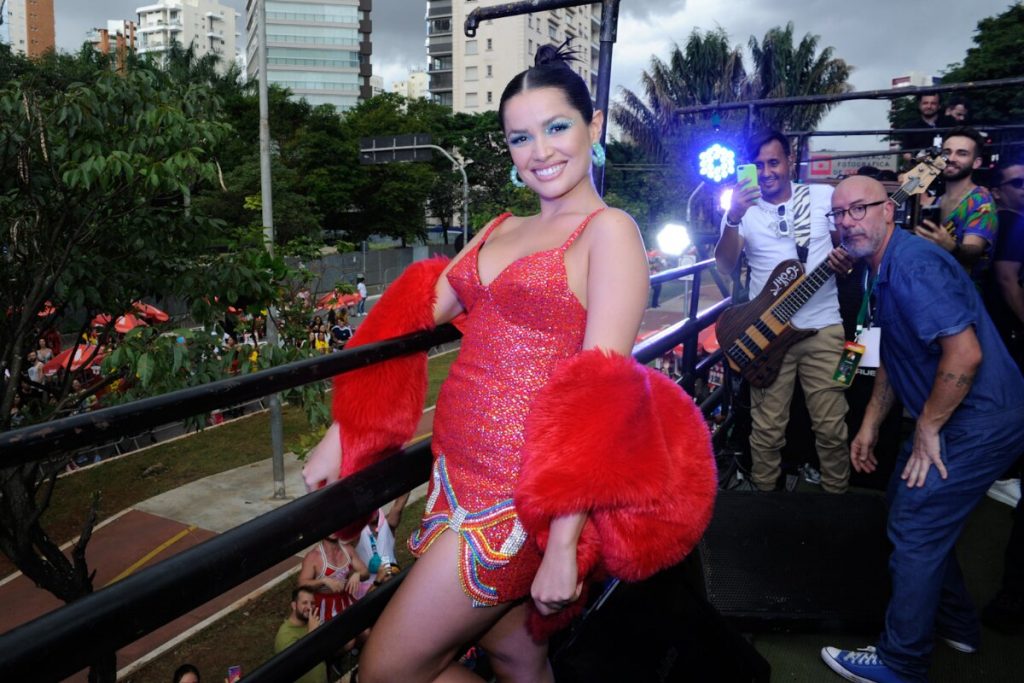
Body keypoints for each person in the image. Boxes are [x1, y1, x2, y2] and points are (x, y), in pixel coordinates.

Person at [301, 42, 716, 683]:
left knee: (384, 672)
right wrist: (347, 428)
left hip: (511, 504)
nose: (541, 151)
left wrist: (566, 544)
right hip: (451, 479)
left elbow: (601, 396)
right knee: (516, 656)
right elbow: (414, 306)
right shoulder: (498, 228)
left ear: (594, 126)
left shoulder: (610, 233)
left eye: (557, 127)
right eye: (521, 137)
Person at [819, 176, 1024, 683]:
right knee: (906, 507)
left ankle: (901, 662)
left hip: (979, 421)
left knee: (914, 527)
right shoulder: (882, 267)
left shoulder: (912, 265)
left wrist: (928, 428)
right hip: (960, 415)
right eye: (839, 214)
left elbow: (965, 354)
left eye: (859, 209)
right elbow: (897, 354)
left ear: (888, 210)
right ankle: (955, 623)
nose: (848, 221)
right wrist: (869, 424)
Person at [715, 129, 853, 494]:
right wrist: (732, 218)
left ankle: (837, 503)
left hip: (823, 328)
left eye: (773, 162)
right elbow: (725, 265)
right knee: (766, 430)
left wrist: (846, 261)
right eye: (758, 165)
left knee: (831, 426)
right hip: (769, 333)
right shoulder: (742, 209)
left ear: (790, 161)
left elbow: (851, 243)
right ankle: (765, 505)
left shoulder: (822, 197)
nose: (765, 172)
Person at [913, 126, 998, 286]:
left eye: (962, 153)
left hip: (965, 298)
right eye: (947, 152)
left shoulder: (981, 200)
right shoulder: (937, 200)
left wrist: (950, 246)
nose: (951, 158)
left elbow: (973, 252)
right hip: (934, 292)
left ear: (976, 163)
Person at [298, 534, 370, 623]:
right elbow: (301, 584)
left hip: (346, 599)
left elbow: (366, 572)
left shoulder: (347, 549)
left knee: (365, 629)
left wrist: (357, 574)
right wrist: (323, 581)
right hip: (324, 606)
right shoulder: (313, 556)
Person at [274, 587, 327, 683]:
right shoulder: (285, 635)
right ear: (294, 605)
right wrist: (312, 633)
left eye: (312, 603)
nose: (310, 607)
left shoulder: (311, 623)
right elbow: (295, 663)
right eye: (304, 603)